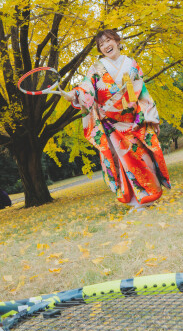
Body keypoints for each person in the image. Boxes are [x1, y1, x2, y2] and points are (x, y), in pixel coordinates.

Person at [62, 29, 170, 209]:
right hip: (112, 125)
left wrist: (150, 117)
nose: (105, 46)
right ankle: (138, 201)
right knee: (124, 161)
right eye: (101, 44)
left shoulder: (132, 64)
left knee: (145, 157)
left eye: (108, 40)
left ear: (118, 41)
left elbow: (142, 91)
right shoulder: (96, 68)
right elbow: (86, 88)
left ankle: (153, 194)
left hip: (135, 120)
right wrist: (73, 94)